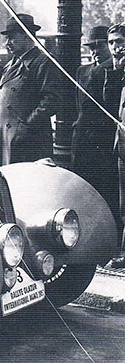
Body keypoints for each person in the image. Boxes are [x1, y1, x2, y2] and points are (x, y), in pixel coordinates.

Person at [0, 13, 63, 167]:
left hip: (26, 139)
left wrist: (25, 126)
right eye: (7, 38)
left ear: (28, 37)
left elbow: (52, 100)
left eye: (12, 38)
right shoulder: (11, 64)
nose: (7, 43)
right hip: (1, 137)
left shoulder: (43, 62)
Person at [71, 25, 120, 241]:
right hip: (83, 139)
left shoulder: (114, 69)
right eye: (91, 47)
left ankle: (109, 236)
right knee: (85, 187)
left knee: (107, 188)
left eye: (100, 46)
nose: (95, 51)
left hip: (105, 140)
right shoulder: (82, 71)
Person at [100, 23, 125, 267]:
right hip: (123, 147)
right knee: (124, 203)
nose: (116, 48)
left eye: (120, 42)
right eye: (112, 43)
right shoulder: (118, 70)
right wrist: (116, 72)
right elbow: (109, 105)